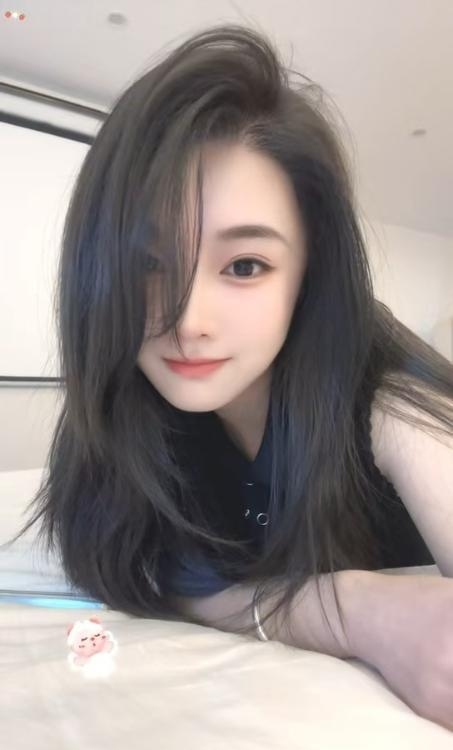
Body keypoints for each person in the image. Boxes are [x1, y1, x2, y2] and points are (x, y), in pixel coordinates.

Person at [8, 23, 453, 727]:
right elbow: (157, 577)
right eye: (148, 266)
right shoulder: (120, 406)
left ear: (307, 276)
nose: (187, 320)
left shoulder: (391, 391)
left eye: (244, 266)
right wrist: (356, 611)